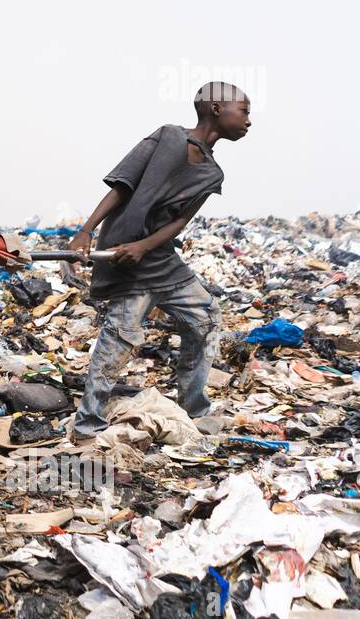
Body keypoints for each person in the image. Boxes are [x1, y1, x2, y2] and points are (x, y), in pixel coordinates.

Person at [67, 81, 252, 439]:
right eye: (243, 111)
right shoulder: (167, 137)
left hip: (160, 259)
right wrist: (86, 231)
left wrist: (146, 246)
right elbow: (122, 186)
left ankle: (193, 408)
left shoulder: (212, 173)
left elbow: (179, 222)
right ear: (216, 109)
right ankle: (87, 425)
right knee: (120, 339)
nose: (248, 120)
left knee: (206, 318)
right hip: (125, 258)